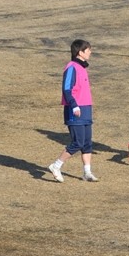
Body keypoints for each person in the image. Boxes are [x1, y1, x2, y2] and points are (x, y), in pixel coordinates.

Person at [47, 39, 98, 183]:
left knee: (87, 142)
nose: (90, 52)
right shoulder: (71, 67)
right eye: (88, 49)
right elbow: (67, 89)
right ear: (80, 52)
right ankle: (56, 166)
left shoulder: (82, 68)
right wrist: (74, 105)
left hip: (86, 110)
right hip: (75, 110)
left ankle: (87, 172)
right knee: (78, 142)